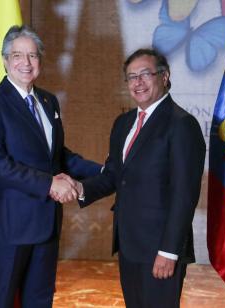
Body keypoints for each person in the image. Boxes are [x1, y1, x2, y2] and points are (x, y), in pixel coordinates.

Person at [0, 25, 101, 308]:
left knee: (40, 301)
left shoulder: (48, 101)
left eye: (32, 56)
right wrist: (49, 184)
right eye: (17, 55)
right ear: (5, 60)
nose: (26, 63)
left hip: (46, 225)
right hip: (11, 226)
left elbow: (57, 157)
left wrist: (102, 171)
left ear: (40, 61)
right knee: (1, 301)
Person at [76, 48, 206, 307]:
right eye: (131, 77)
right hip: (129, 244)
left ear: (165, 76)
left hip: (160, 248)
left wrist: (169, 251)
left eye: (145, 74)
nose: (138, 82)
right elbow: (114, 175)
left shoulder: (182, 124)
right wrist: (79, 189)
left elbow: (184, 194)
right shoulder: (123, 123)